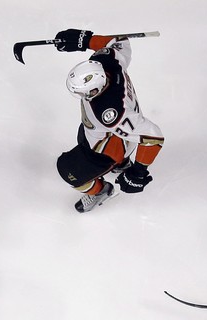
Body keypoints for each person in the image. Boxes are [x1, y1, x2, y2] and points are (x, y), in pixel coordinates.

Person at [52, 28, 164, 213]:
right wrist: (85, 40)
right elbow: (118, 40)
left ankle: (100, 191)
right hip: (113, 134)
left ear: (95, 89)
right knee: (85, 133)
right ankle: (122, 165)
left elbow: (153, 136)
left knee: (69, 172)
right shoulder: (108, 61)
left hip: (108, 149)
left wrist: (138, 171)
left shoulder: (110, 114)